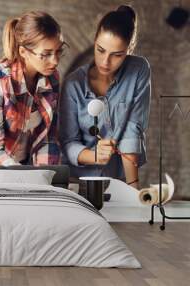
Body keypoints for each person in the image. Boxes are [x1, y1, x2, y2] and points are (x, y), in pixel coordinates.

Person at [59, 5, 151, 190]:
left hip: (118, 182)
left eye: (116, 55)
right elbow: (68, 142)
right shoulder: (73, 83)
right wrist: (94, 156)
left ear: (129, 49)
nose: (105, 62)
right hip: (78, 183)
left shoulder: (138, 70)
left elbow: (132, 130)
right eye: (100, 50)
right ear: (94, 41)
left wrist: (133, 190)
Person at [0, 11, 67, 166]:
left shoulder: (52, 79)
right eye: (46, 54)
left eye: (59, 51)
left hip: (28, 169)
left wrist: (45, 177)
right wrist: (24, 178)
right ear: (23, 51)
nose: (55, 61)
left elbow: (48, 139)